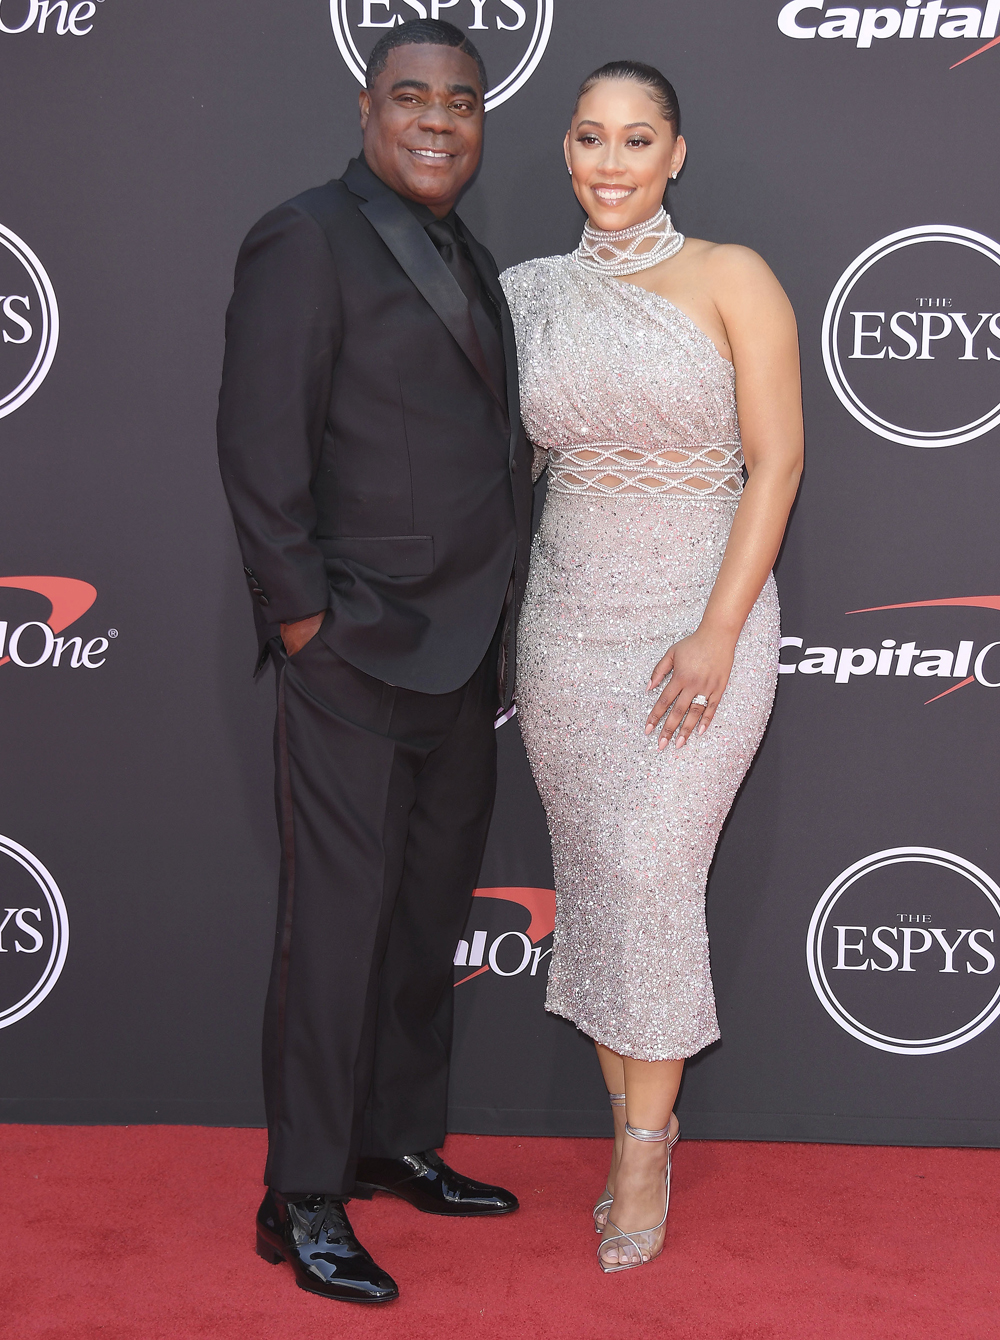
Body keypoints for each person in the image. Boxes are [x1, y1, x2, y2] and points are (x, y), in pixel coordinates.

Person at [217, 19, 532, 1305]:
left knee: (422, 917)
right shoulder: (305, 236)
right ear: (366, 108)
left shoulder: (473, 256)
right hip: (353, 646)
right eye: (412, 98)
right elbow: (257, 446)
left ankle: (394, 1140)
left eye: (460, 103)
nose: (438, 121)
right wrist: (304, 624)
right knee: (337, 929)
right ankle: (301, 1192)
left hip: (463, 652)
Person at [501, 61, 803, 1273]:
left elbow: (777, 462)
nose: (611, 162)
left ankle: (641, 1149)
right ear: (566, 153)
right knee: (601, 881)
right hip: (568, 628)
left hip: (698, 619)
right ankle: (640, 1122)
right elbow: (493, 468)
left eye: (637, 139)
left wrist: (718, 628)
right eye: (591, 138)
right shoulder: (528, 294)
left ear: (675, 155)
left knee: (649, 870)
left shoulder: (733, 276)